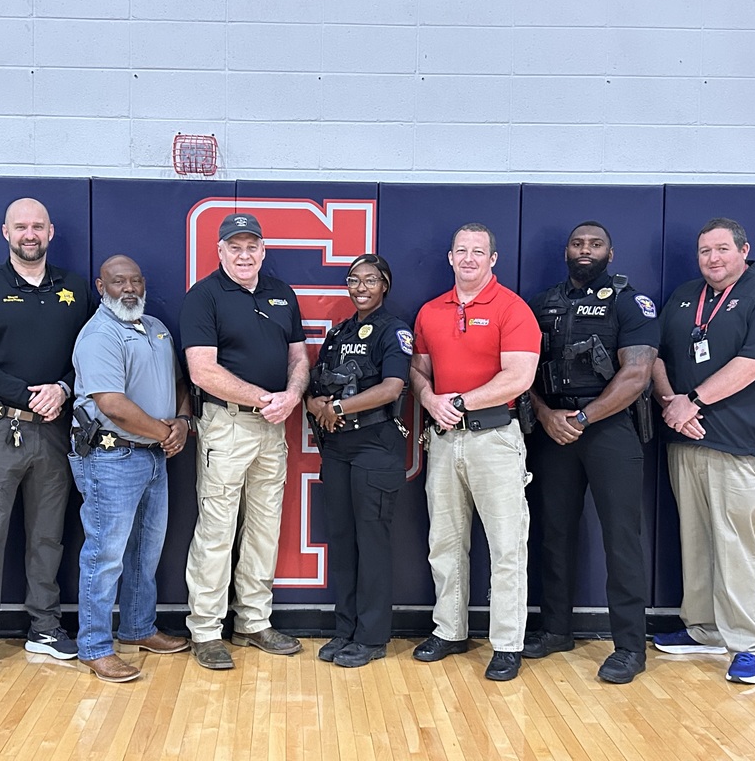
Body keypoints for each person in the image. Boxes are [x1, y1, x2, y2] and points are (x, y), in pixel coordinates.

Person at [651, 218, 755, 685]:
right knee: (694, 541)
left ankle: (748, 643)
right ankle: (702, 628)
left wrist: (691, 402)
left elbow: (754, 363)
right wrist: (671, 403)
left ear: (743, 250)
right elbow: (656, 356)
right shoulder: (682, 296)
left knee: (735, 545)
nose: (712, 259)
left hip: (740, 445)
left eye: (721, 249)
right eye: (704, 252)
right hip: (686, 437)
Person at [0, 198, 92, 677]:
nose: (29, 234)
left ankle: (45, 628)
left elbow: (90, 353)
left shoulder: (74, 287)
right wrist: (27, 394)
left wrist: (63, 389)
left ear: (50, 232)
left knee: (48, 536)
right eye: (20, 227)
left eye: (37, 226)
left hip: (54, 429)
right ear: (5, 232)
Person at [523, 221, 657, 684]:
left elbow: (637, 373)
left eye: (595, 244)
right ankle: (556, 629)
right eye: (578, 244)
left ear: (610, 252)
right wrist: (545, 415)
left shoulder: (628, 301)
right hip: (553, 430)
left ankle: (629, 647)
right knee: (553, 533)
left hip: (608, 431)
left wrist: (583, 418)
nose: (585, 250)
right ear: (566, 251)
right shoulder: (544, 303)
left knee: (622, 538)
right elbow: (524, 371)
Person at [409, 223, 540, 681]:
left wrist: (462, 401)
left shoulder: (513, 309)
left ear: (493, 259)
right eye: (461, 250)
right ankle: (450, 630)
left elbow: (519, 377)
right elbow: (418, 371)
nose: (469, 258)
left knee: (506, 546)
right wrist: (429, 400)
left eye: (478, 251)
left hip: (495, 439)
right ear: (450, 258)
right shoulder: (429, 312)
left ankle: (507, 643)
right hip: (445, 440)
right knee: (444, 542)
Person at [179, 213, 310, 670]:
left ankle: (253, 620)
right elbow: (202, 371)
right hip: (227, 424)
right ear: (219, 251)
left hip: (274, 427)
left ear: (263, 249)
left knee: (264, 526)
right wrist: (262, 398)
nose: (244, 254)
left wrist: (291, 396)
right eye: (234, 246)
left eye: (251, 246)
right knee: (216, 529)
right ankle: (205, 629)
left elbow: (300, 357)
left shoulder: (281, 294)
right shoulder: (204, 297)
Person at [68, 255, 191, 682]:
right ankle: (95, 647)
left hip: (155, 454)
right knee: (105, 555)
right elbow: (112, 405)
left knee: (145, 553)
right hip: (110, 456)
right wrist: (164, 431)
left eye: (136, 280)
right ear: (101, 286)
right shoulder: (99, 333)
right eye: (118, 281)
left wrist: (182, 422)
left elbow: (179, 383)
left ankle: (138, 628)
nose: (129, 288)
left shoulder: (156, 327)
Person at [305, 255, 413, 668]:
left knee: (372, 543)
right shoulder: (338, 333)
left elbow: (392, 388)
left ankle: (371, 637)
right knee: (344, 542)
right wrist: (316, 402)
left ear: (385, 285)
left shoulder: (394, 330)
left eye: (370, 280)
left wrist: (341, 407)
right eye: (354, 280)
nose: (361, 287)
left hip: (375, 448)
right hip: (338, 450)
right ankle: (344, 629)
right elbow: (315, 386)